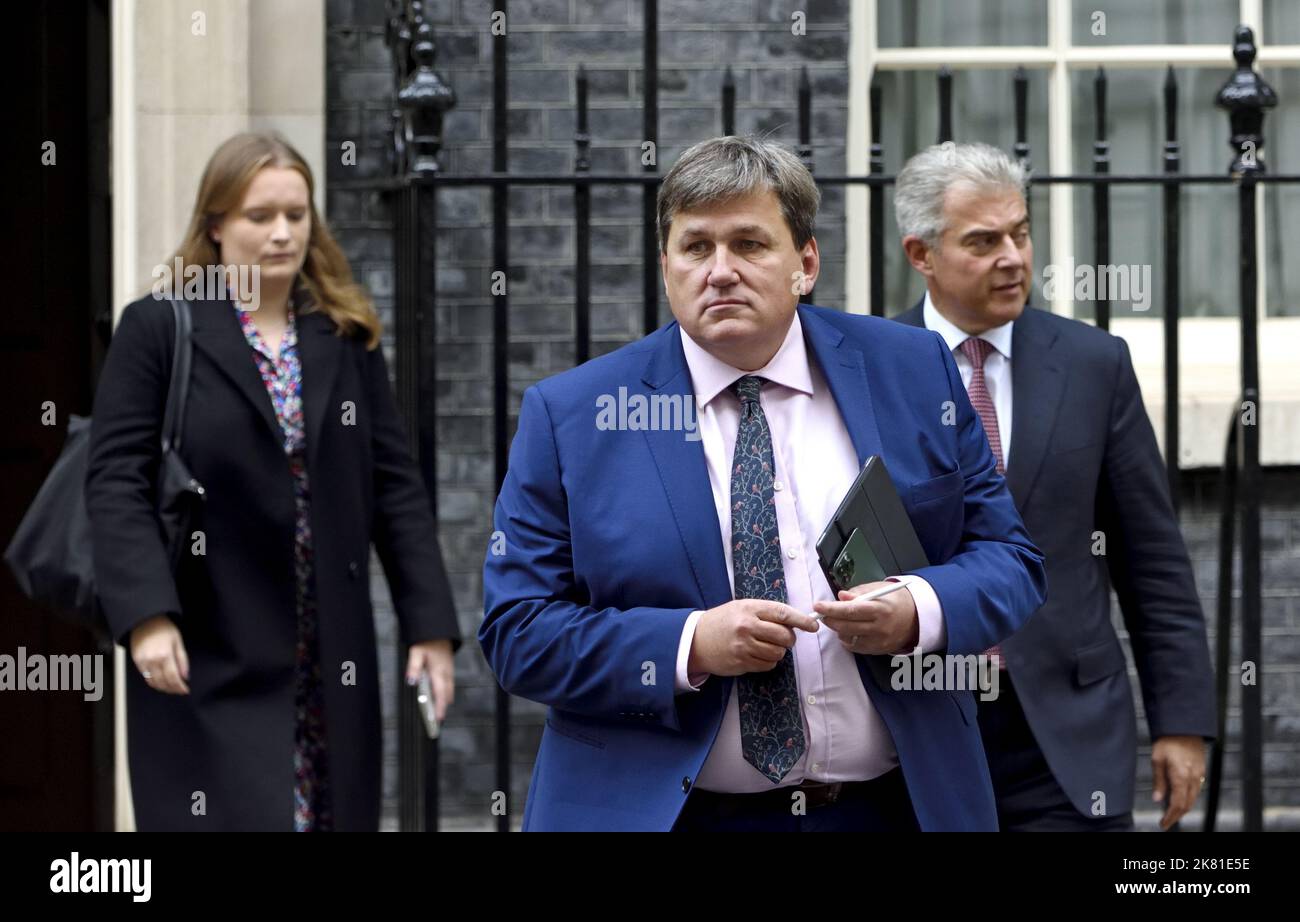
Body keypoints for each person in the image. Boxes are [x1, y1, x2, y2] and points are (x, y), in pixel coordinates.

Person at [480, 135, 1046, 832]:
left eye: (749, 245)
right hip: (672, 816)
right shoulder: (573, 414)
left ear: (805, 262)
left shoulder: (911, 367)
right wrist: (690, 644)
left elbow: (1010, 560)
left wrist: (917, 608)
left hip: (889, 810)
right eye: (696, 247)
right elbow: (517, 631)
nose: (720, 271)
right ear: (666, 267)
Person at [86, 132, 460, 831]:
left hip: (329, 646)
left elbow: (395, 484)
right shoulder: (159, 332)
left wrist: (429, 623)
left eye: (297, 213)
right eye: (260, 216)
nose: (283, 232)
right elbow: (115, 481)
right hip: (208, 642)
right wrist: (145, 614)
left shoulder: (344, 336)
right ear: (217, 224)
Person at [892, 141, 1216, 831]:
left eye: (1021, 232)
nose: (1013, 257)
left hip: (1067, 737)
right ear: (922, 254)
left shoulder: (1095, 364)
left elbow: (1152, 559)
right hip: (916, 725)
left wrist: (1181, 722)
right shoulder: (869, 367)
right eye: (983, 241)